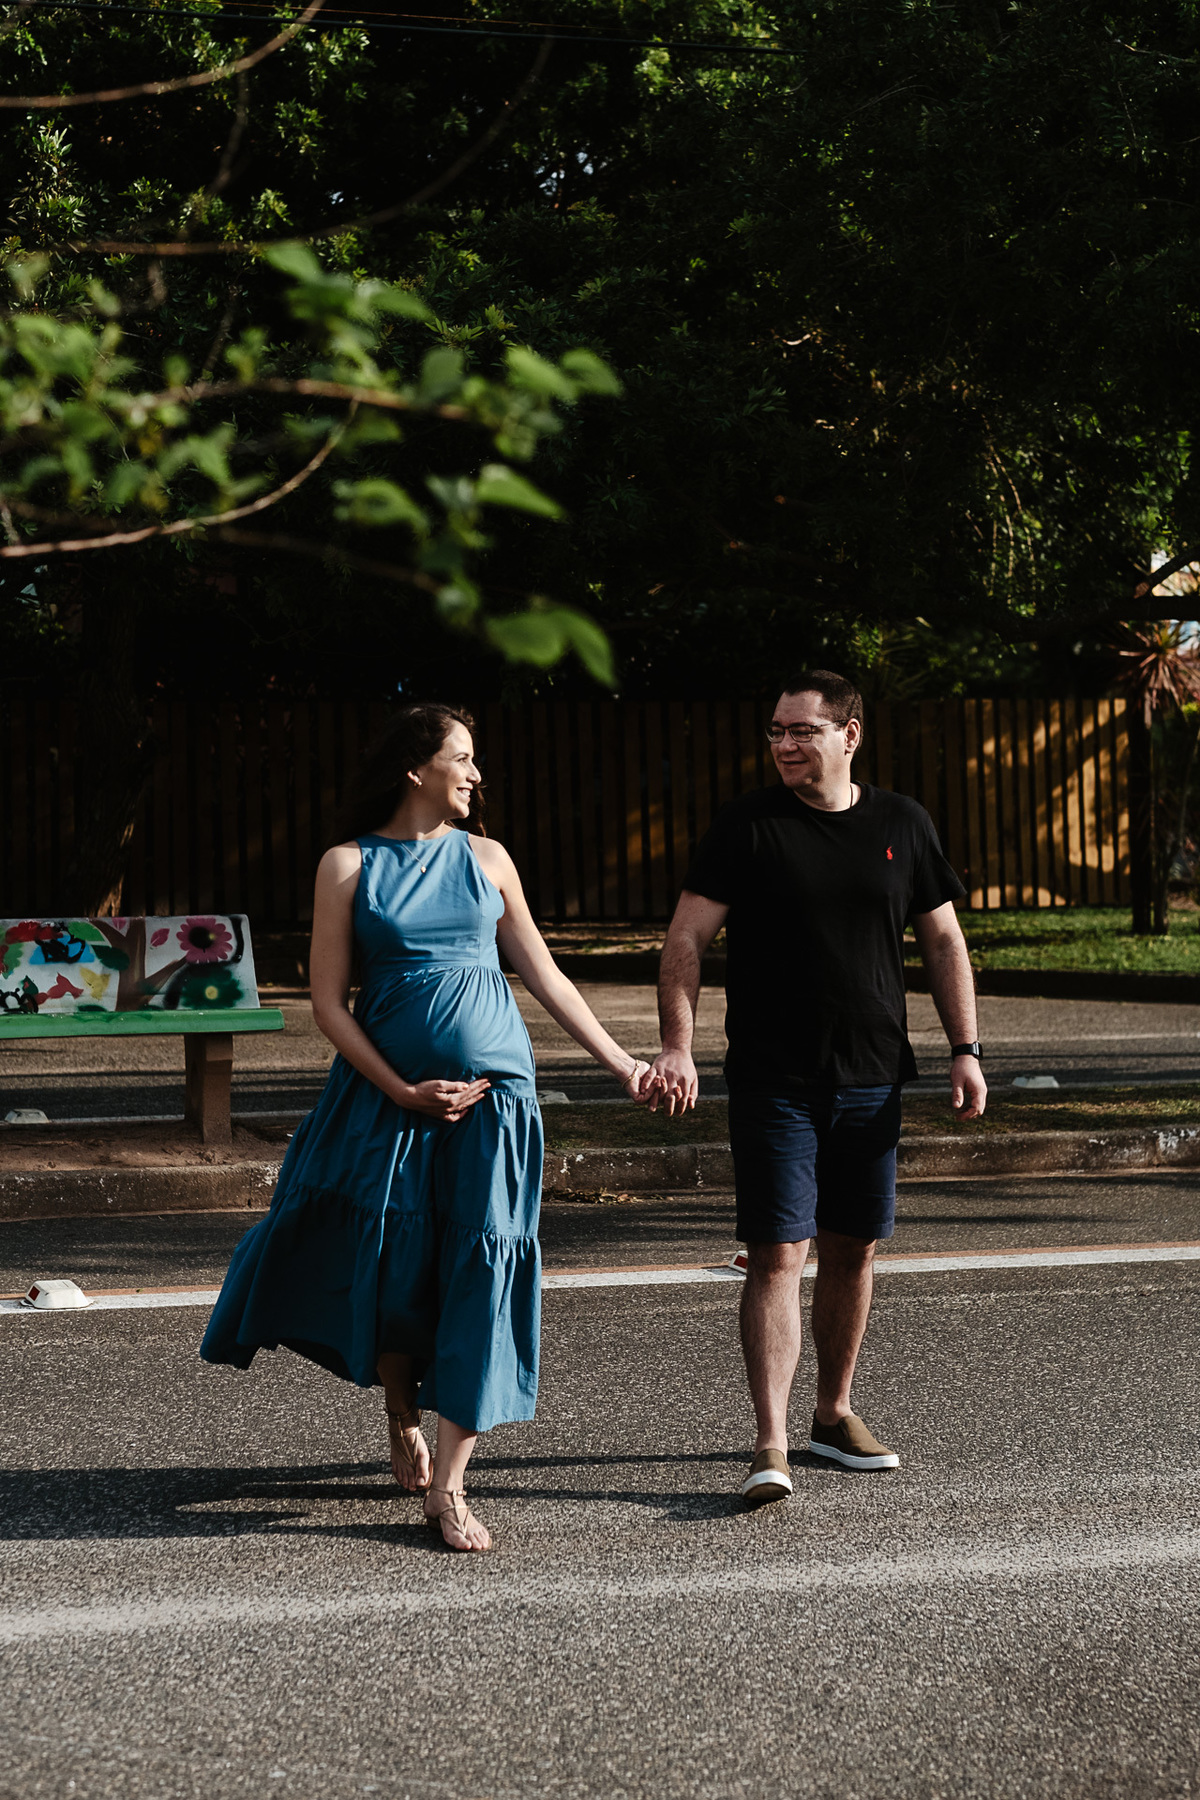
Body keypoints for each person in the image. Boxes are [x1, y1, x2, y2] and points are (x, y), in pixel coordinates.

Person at [201, 702, 657, 1552]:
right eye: (463, 757)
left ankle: (450, 1487)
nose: (477, 773)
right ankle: (400, 1405)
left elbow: (546, 975)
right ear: (416, 768)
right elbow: (329, 1006)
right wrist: (403, 1090)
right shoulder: (347, 865)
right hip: (384, 1101)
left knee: (481, 1267)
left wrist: (623, 1064)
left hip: (498, 1101)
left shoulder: (488, 858)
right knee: (393, 1263)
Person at [644, 670, 986, 1504]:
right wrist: (677, 1046)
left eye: (802, 730)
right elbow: (685, 939)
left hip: (872, 1073)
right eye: (776, 731)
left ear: (849, 735)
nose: (785, 745)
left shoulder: (902, 822)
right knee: (776, 1254)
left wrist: (966, 1048)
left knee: (854, 1247)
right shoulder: (747, 826)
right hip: (774, 1077)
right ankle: (770, 1443)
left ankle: (832, 1416)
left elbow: (944, 941)